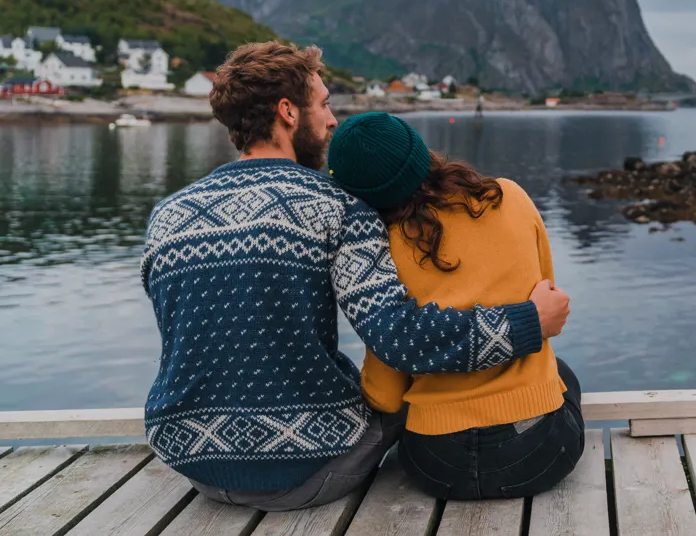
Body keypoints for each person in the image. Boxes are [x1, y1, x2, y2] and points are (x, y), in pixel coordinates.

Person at [140, 42, 570, 511]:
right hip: (305, 469)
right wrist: (527, 322)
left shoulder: (168, 215)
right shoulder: (339, 208)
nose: (331, 121)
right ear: (288, 112)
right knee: (405, 392)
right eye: (324, 104)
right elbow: (401, 339)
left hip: (191, 460)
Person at [327, 112, 585, 499]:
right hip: (540, 452)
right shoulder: (509, 196)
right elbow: (549, 301)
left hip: (435, 462)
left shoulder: (381, 254)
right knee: (564, 374)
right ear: (419, 150)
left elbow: (386, 395)